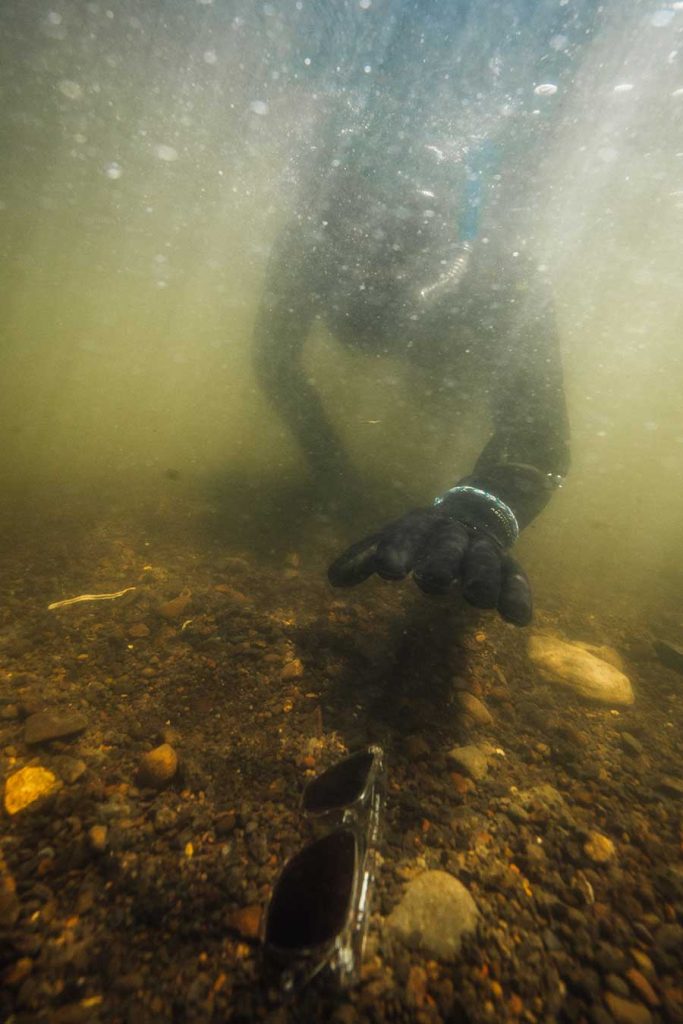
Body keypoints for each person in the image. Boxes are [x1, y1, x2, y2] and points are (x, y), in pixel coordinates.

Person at [253, 0, 602, 627]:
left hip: (453, 370)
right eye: (351, 219)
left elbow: (537, 433)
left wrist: (482, 510)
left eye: (408, 235)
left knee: (443, 400)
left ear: (456, 225)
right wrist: (336, 474)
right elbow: (274, 362)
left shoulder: (500, 272)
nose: (376, 252)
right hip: (437, 353)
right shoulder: (306, 249)